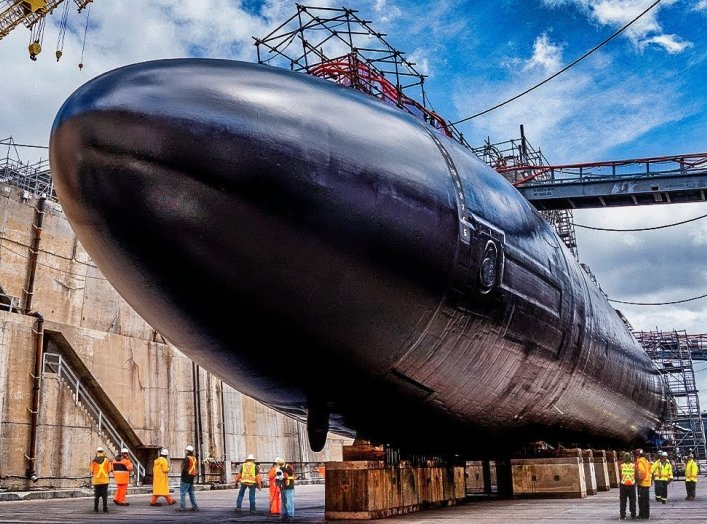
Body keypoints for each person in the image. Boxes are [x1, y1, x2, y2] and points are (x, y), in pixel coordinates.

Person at [90, 446, 113, 513]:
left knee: (96, 496)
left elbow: (92, 471)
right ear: (103, 452)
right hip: (104, 480)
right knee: (104, 496)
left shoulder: (93, 460)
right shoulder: (107, 460)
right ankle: (105, 509)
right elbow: (109, 470)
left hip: (96, 481)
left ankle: (96, 508)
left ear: (97, 452)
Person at [177, 445, 199, 512]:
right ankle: (195, 507)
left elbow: (185, 468)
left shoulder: (187, 458)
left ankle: (182, 507)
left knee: (182, 493)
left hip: (186, 477)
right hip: (191, 477)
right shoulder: (194, 458)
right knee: (191, 493)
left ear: (188, 451)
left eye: (186, 450)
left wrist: (182, 476)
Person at [634, 448, 652, 519]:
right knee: (646, 500)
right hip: (647, 483)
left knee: (642, 500)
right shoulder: (646, 461)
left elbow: (641, 473)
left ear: (637, 455)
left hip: (642, 483)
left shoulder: (640, 461)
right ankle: (646, 515)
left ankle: (642, 515)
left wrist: (638, 481)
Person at [619, 452, 637, 520]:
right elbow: (636, 475)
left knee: (623, 502)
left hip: (623, 485)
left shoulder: (621, 466)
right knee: (632, 501)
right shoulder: (634, 465)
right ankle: (633, 515)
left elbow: (620, 475)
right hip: (632, 485)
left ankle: (622, 516)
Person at [278, 457, 295, 522]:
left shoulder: (288, 467)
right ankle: (284, 514)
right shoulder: (279, 468)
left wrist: (284, 470)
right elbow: (279, 477)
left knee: (289, 501)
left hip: (289, 486)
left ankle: (290, 515)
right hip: (283, 487)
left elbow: (290, 473)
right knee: (284, 501)